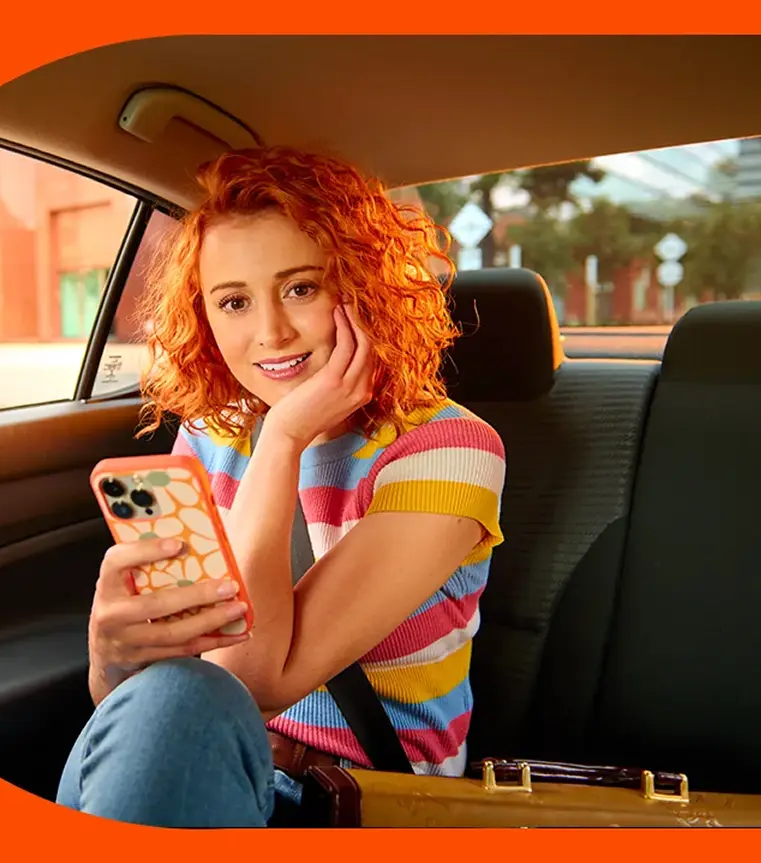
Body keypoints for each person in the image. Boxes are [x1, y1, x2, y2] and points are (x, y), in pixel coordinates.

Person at [56, 147, 506, 827]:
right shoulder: (213, 434)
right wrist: (110, 663)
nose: (270, 332)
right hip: (204, 763)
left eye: (301, 288)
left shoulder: (450, 450)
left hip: (350, 801)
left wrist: (285, 437)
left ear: (363, 287)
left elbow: (248, 680)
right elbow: (145, 692)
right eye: (233, 301)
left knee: (180, 702)